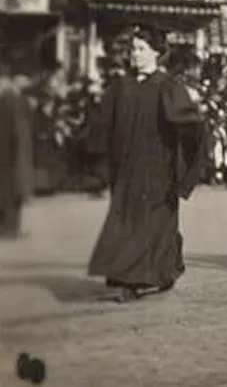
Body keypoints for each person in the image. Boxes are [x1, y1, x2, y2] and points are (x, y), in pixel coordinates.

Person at [85, 26, 211, 303]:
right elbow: (102, 124)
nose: (135, 54)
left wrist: (189, 150)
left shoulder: (168, 87)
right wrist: (98, 161)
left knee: (154, 221)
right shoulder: (121, 86)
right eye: (133, 49)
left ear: (156, 52)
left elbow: (190, 127)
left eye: (141, 49)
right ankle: (159, 271)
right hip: (125, 166)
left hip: (157, 167)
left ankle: (133, 279)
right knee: (128, 218)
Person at [0, 58, 34, 239]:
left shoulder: (9, 98)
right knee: (12, 191)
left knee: (7, 191)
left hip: (6, 153)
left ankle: (7, 227)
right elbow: (18, 131)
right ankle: (10, 229)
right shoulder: (12, 99)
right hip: (11, 154)